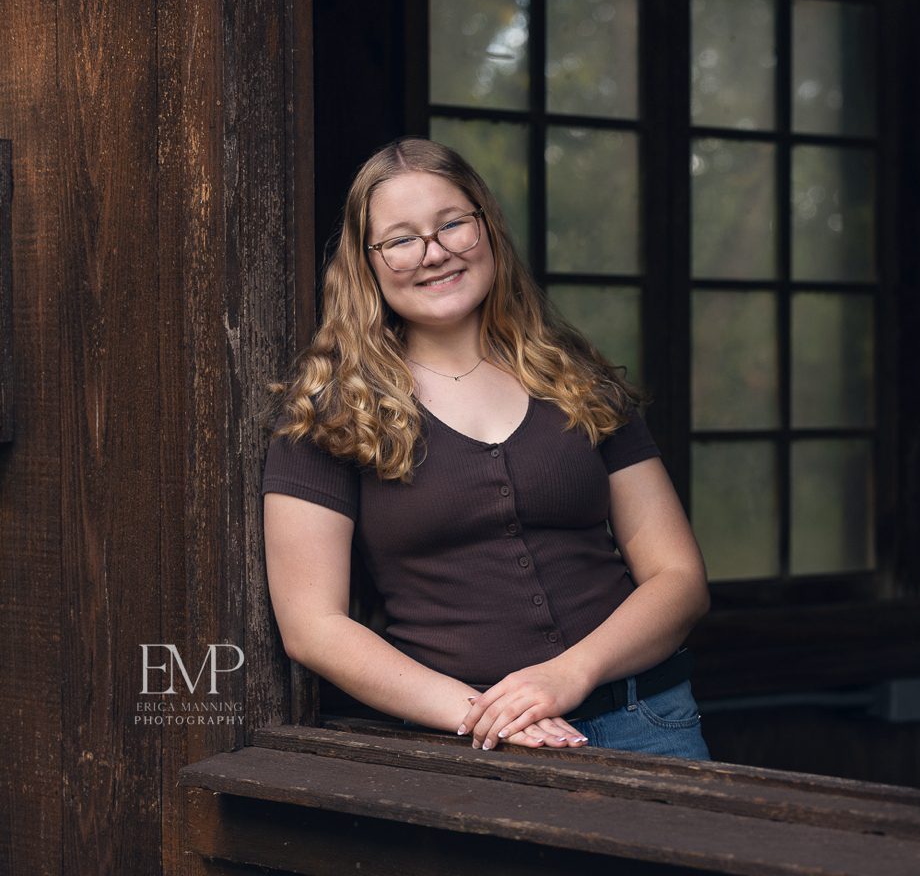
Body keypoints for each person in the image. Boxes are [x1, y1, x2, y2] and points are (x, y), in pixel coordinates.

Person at [262, 138, 712, 757]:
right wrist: (487, 714)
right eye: (400, 239)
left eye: (452, 225)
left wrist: (568, 674)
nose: (435, 253)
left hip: (648, 721)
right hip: (469, 743)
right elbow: (313, 628)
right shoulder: (333, 412)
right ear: (365, 263)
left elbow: (679, 577)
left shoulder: (577, 379)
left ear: (487, 229)